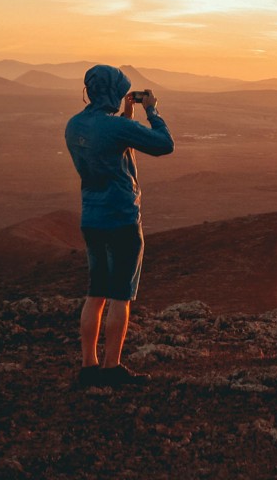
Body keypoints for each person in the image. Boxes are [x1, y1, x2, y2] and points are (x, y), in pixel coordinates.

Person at [64, 65, 174, 388]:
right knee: (119, 296)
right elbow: (163, 144)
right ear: (112, 91)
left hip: (92, 218)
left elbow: (107, 145)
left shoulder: (74, 126)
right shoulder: (114, 129)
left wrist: (125, 116)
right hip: (122, 219)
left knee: (95, 292)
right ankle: (112, 368)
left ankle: (88, 366)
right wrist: (152, 110)